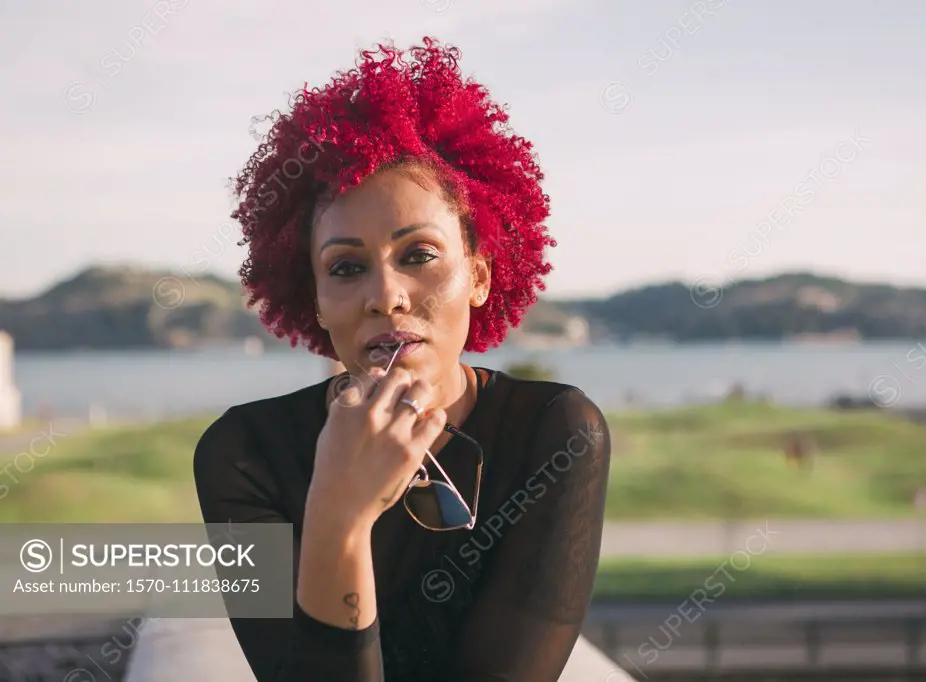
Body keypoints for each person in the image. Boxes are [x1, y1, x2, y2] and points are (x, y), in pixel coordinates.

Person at [192, 37, 612, 681]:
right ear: (316, 300)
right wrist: (339, 513)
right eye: (347, 267)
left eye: (418, 255)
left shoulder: (555, 434)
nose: (385, 297)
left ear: (478, 275)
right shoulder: (242, 454)